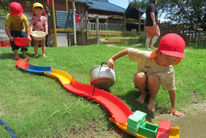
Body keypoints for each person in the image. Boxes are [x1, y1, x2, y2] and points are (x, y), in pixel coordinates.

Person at [107, 33, 185, 117]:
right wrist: (112, 59)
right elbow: (128, 50)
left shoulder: (169, 70)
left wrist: (174, 107)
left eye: (174, 60)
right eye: (167, 58)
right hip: (141, 82)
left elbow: (171, 89)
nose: (170, 63)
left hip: (154, 84)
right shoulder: (146, 56)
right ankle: (143, 94)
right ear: (158, 53)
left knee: (153, 78)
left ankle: (152, 98)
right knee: (140, 76)